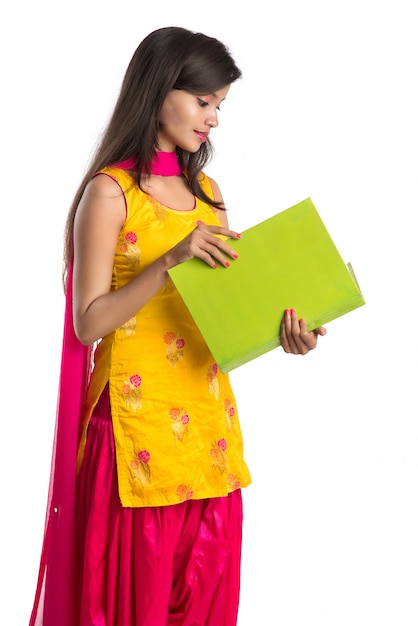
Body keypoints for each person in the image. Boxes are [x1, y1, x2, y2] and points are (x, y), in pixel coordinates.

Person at [29, 26, 326, 626]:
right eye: (204, 100)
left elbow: (221, 321)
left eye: (220, 105)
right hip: (133, 441)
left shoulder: (209, 195)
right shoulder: (110, 194)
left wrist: (287, 332)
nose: (214, 118)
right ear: (162, 89)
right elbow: (88, 324)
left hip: (208, 439)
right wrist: (167, 261)